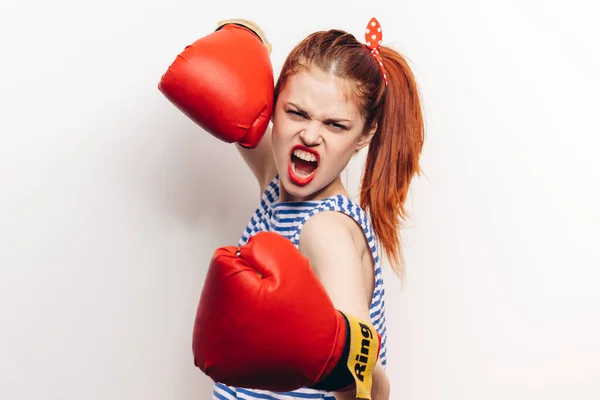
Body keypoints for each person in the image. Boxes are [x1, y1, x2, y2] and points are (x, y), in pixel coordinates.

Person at [158, 16, 424, 400]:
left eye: (335, 125)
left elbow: (369, 384)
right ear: (275, 106)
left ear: (365, 134)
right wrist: (245, 40)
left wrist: (343, 367)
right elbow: (242, 108)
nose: (310, 135)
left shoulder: (326, 230)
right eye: (296, 113)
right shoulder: (276, 180)